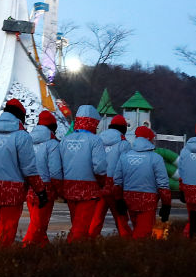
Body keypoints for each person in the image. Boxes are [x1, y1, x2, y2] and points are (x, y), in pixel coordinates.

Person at [0, 102, 46, 247]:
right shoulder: (22, 136)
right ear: (20, 116)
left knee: (3, 228)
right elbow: (29, 168)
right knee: (7, 230)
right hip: (13, 190)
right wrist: (40, 190)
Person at [112, 125, 173, 239]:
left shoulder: (124, 156)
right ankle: (135, 254)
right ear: (149, 140)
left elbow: (117, 181)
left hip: (129, 198)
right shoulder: (156, 158)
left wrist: (119, 199)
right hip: (148, 200)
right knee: (143, 235)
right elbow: (163, 184)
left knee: (137, 228)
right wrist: (166, 205)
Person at [59, 105, 109, 242]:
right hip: (89, 189)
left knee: (76, 223)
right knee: (81, 228)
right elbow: (99, 167)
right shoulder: (95, 140)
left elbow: (59, 166)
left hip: (69, 187)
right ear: (93, 122)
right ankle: (75, 255)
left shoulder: (65, 140)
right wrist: (102, 182)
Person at [22, 109, 63, 247]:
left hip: (30, 186)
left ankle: (43, 249)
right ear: (53, 128)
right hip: (45, 188)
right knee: (39, 225)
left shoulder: (27, 140)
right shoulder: (52, 144)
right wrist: (59, 190)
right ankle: (24, 249)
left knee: (37, 222)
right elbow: (55, 171)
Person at [90, 114, 133, 238]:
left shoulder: (97, 139)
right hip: (115, 185)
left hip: (99, 182)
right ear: (123, 128)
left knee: (96, 218)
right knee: (121, 218)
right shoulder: (124, 143)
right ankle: (127, 243)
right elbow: (126, 167)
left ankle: (87, 243)